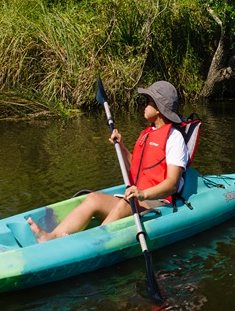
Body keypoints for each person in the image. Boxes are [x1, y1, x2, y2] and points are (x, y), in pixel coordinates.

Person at [27, 81, 188, 243]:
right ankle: (50, 237)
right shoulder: (148, 133)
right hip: (138, 197)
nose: (144, 105)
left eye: (148, 101)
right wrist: (122, 147)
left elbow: (172, 184)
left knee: (126, 203)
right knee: (93, 199)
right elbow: (136, 168)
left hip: (158, 201)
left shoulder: (174, 138)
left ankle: (91, 242)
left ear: (159, 108)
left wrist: (143, 194)